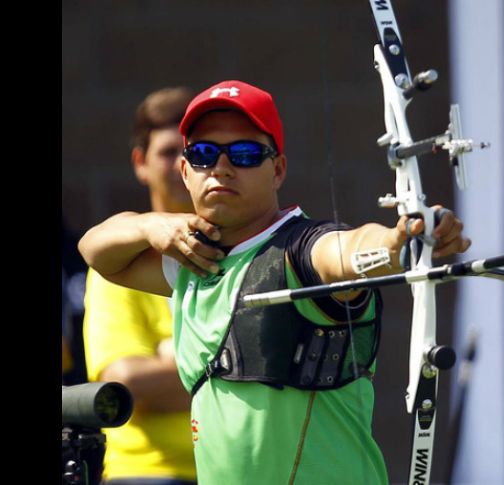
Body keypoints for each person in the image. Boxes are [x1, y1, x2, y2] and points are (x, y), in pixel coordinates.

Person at [78, 79, 471, 485]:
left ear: (278, 169)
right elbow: (95, 251)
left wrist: (399, 243)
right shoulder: (193, 263)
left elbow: (347, 251)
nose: (222, 167)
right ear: (185, 170)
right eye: (203, 154)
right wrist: (152, 225)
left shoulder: (302, 249)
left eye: (246, 154)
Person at [81, 87, 197, 484]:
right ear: (140, 163)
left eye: (195, 151)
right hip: (148, 472)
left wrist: (170, 360)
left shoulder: (241, 254)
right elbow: (124, 384)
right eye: (168, 151)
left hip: (236, 470)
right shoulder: (118, 264)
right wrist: (227, 364)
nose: (183, 161)